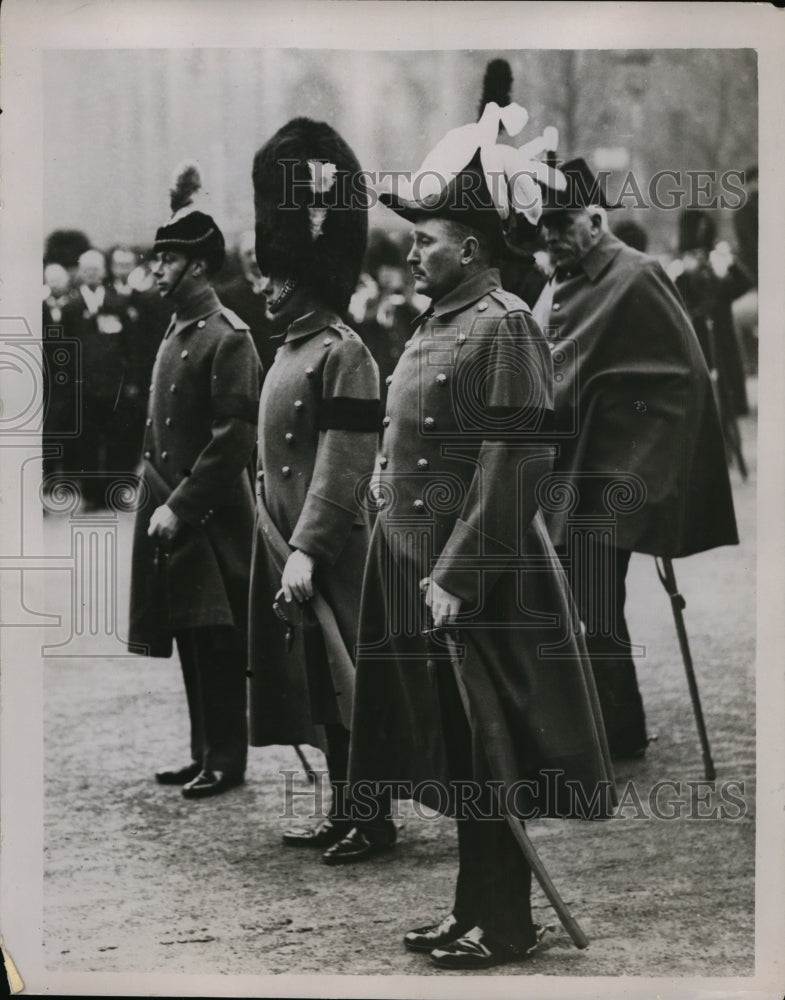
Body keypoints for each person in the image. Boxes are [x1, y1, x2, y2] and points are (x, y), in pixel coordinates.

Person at [349, 105, 614, 969]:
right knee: (460, 745)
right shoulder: (434, 322)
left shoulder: (505, 322)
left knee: (493, 746)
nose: (411, 253)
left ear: (467, 246)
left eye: (425, 241)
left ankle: (505, 924)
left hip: (487, 573)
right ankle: (469, 910)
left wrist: (459, 571)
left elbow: (518, 456)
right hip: (422, 566)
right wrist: (387, 479)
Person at [532, 159, 738, 759]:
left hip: (603, 484)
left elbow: (682, 377)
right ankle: (584, 726)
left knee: (594, 608)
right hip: (554, 481)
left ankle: (614, 734)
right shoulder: (552, 285)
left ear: (594, 219)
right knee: (563, 605)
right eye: (543, 224)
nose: (550, 235)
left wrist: (640, 468)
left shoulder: (638, 275)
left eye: (561, 222)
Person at [248, 117, 396, 864]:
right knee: (319, 689)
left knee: (352, 687)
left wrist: (307, 547)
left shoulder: (345, 352)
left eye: (277, 277)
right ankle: (343, 808)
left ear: (308, 275)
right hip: (293, 547)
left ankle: (371, 818)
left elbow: (344, 459)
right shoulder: (291, 349)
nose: (264, 287)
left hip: (334, 550)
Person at [128, 163, 262, 799]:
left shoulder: (226, 337)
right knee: (187, 627)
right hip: (172, 507)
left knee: (217, 637)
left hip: (207, 515)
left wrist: (181, 505)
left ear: (198, 267)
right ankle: (201, 750)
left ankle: (225, 759)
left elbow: (234, 437)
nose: (156, 270)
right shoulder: (178, 328)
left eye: (167, 261)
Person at [61, 249, 136, 507]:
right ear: (80, 273)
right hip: (84, 387)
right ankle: (92, 495)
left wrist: (129, 381)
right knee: (88, 442)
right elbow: (66, 350)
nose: (92, 274)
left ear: (104, 272)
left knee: (117, 440)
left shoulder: (118, 303)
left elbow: (129, 346)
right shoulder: (71, 309)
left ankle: (114, 493)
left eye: (96, 269)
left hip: (114, 385)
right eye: (87, 269)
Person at [217, 230, 278, 372]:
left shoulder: (283, 287)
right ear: (240, 258)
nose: (254, 259)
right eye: (248, 254)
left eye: (258, 252)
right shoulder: (228, 295)